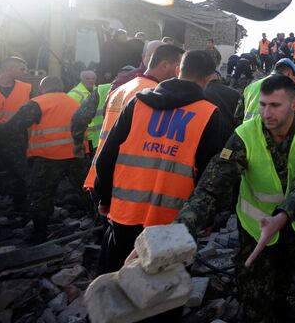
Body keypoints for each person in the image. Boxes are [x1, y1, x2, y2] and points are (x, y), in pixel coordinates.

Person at [176, 75, 295, 322]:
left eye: (275, 106)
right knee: (253, 291)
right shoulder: (244, 135)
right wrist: (181, 228)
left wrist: (282, 217)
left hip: (292, 224)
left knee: (286, 279)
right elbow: (211, 187)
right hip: (254, 225)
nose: (266, 113)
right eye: (263, 104)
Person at [95, 50, 224, 274]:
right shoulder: (210, 115)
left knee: (120, 282)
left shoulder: (138, 104)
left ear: (178, 71)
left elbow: (106, 157)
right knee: (164, 292)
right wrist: (207, 217)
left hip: (125, 213)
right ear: (209, 77)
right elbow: (210, 178)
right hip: (174, 224)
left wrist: (104, 197)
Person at [0, 76, 93, 243]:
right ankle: (98, 225)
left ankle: (39, 234)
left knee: (41, 196)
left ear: (43, 88)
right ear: (61, 86)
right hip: (77, 156)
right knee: (86, 191)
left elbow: (13, 128)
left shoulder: (37, 103)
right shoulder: (74, 102)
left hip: (48, 158)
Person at [83, 44, 185, 192]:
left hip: (102, 173)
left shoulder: (123, 88)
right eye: (178, 67)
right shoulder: (152, 94)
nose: (180, 73)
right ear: (164, 65)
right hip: (124, 179)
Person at [0, 56, 33, 213]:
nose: (25, 72)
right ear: (9, 69)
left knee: (19, 170)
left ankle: (20, 205)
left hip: (16, 136)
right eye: (22, 69)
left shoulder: (27, 88)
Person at [204, 70, 241, 141]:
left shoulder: (202, 93)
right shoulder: (235, 93)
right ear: (219, 77)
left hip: (210, 138)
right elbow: (239, 118)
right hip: (230, 138)